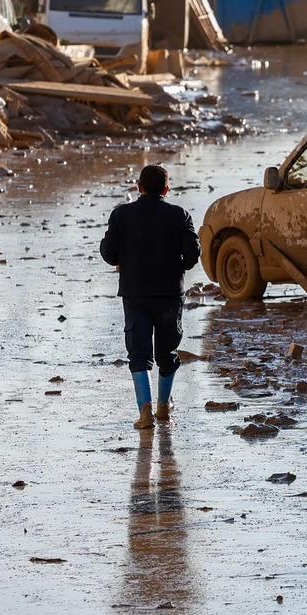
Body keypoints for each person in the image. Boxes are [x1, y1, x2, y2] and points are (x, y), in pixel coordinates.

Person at [100, 164, 201, 430]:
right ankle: (164, 407)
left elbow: (108, 253)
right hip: (169, 293)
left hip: (135, 293)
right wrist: (180, 265)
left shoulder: (121, 214)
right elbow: (193, 254)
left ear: (138, 187)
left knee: (138, 352)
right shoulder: (180, 215)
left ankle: (145, 413)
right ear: (167, 190)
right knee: (167, 351)